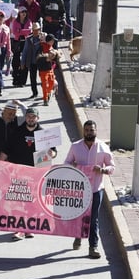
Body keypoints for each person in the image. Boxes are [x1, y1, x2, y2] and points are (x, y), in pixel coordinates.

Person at [64, 120, 115, 259]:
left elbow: (112, 167)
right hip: (79, 190)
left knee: (93, 219)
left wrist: (103, 170)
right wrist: (73, 166)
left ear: (96, 131)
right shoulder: (75, 147)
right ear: (83, 131)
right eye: (87, 130)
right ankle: (78, 236)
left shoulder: (103, 148)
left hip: (96, 189)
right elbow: (66, 162)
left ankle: (93, 247)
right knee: (79, 216)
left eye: (91, 130)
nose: (89, 133)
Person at [0, 107, 43, 240]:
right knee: (18, 201)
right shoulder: (17, 132)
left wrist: (50, 154)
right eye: (29, 116)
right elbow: (6, 149)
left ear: (38, 118)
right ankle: (18, 229)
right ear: (26, 118)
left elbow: (52, 151)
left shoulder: (43, 133)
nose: (31, 119)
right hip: (17, 173)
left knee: (32, 202)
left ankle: (29, 228)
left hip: (34, 174)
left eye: (33, 116)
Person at [20, 22, 43, 99]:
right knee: (32, 78)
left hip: (41, 61)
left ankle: (46, 92)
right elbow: (25, 51)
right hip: (32, 61)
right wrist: (22, 63)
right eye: (34, 30)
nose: (36, 31)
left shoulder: (42, 38)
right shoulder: (28, 39)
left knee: (43, 77)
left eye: (37, 30)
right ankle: (34, 92)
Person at [37, 34, 60, 105]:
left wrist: (57, 55)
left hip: (50, 69)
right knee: (44, 84)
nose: (53, 42)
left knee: (51, 83)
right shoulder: (41, 47)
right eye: (52, 40)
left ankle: (48, 92)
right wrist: (46, 58)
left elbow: (55, 59)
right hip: (43, 69)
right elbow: (38, 57)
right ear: (49, 41)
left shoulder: (52, 48)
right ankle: (45, 99)